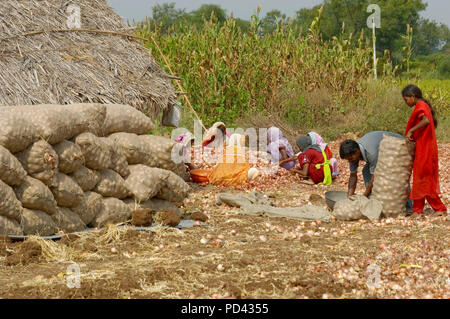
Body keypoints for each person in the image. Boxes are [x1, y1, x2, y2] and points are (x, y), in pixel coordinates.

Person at [402, 84, 447, 216]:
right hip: (424, 147)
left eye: (406, 99)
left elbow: (426, 121)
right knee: (422, 178)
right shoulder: (422, 105)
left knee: (421, 178)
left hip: (425, 149)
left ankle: (437, 208)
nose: (406, 102)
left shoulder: (421, 106)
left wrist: (411, 130)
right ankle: (425, 209)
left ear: (413, 96)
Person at [339, 131, 411, 200]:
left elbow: (375, 177)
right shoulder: (352, 153)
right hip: (383, 152)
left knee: (399, 176)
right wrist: (349, 197)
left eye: (350, 158)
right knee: (366, 171)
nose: (350, 161)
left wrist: (364, 196)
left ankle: (409, 207)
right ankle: (372, 198)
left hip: (399, 147)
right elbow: (353, 176)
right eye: (348, 159)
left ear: (356, 151)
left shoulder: (371, 153)